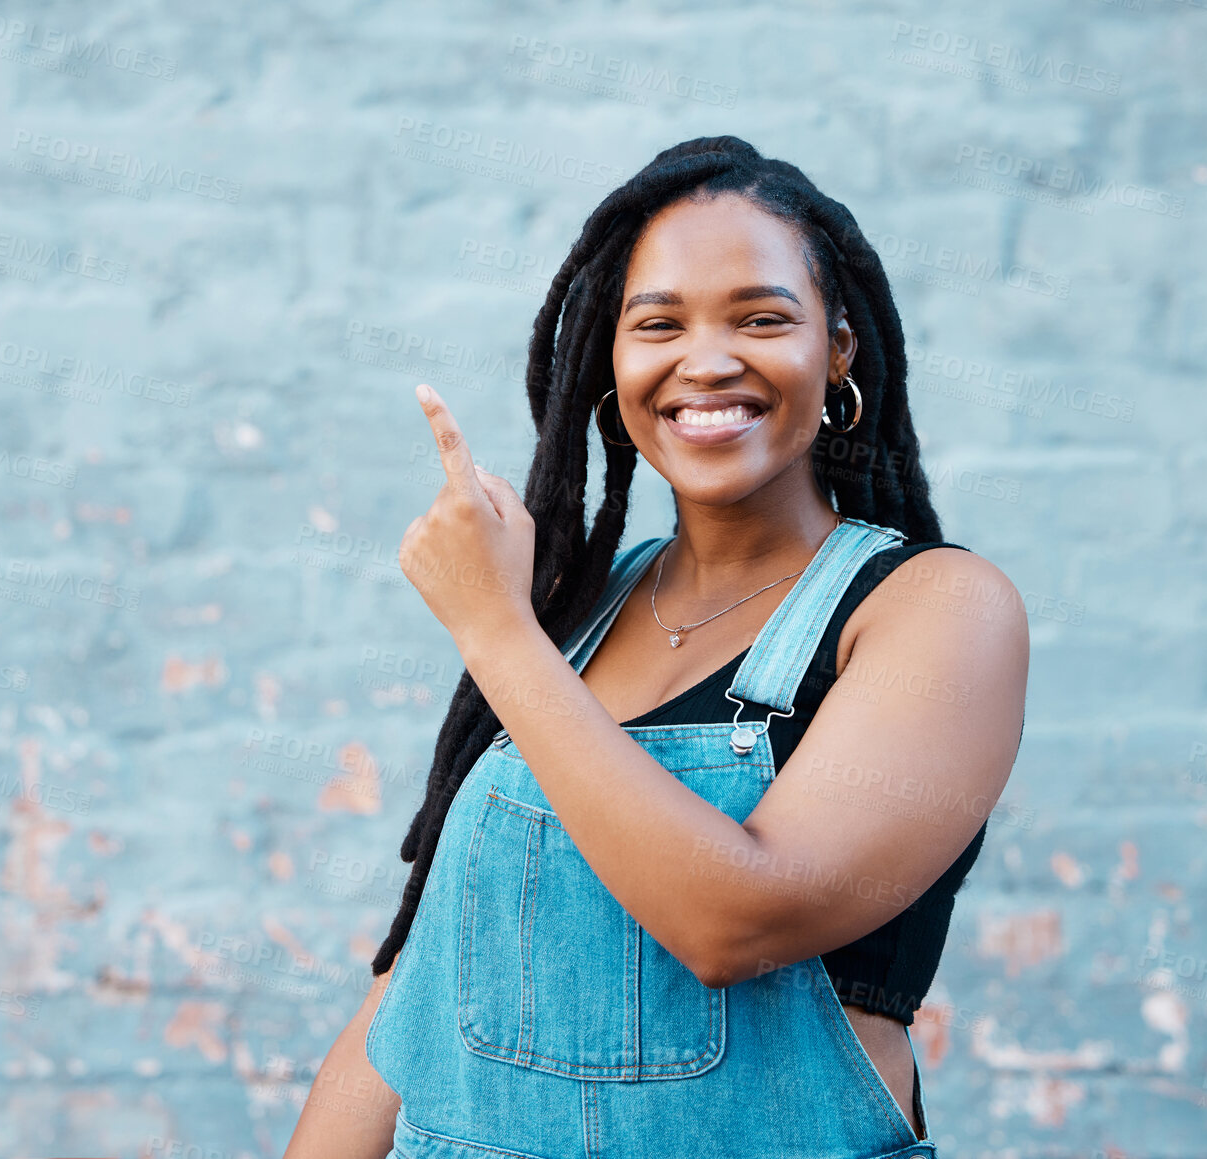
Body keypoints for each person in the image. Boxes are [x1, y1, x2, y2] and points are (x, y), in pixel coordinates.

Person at [285, 135, 1028, 1158]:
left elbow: (735, 920)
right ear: (610, 361)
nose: (707, 360)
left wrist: (494, 627)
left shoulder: (933, 608)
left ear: (839, 349)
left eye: (763, 319)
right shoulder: (577, 617)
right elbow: (415, 997)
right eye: (658, 325)